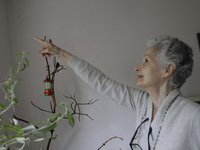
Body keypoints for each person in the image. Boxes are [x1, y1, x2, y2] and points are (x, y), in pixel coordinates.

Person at [34, 35, 200, 150]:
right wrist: (60, 53)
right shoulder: (142, 102)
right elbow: (102, 83)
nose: (137, 66)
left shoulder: (193, 116)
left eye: (146, 61)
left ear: (168, 70)